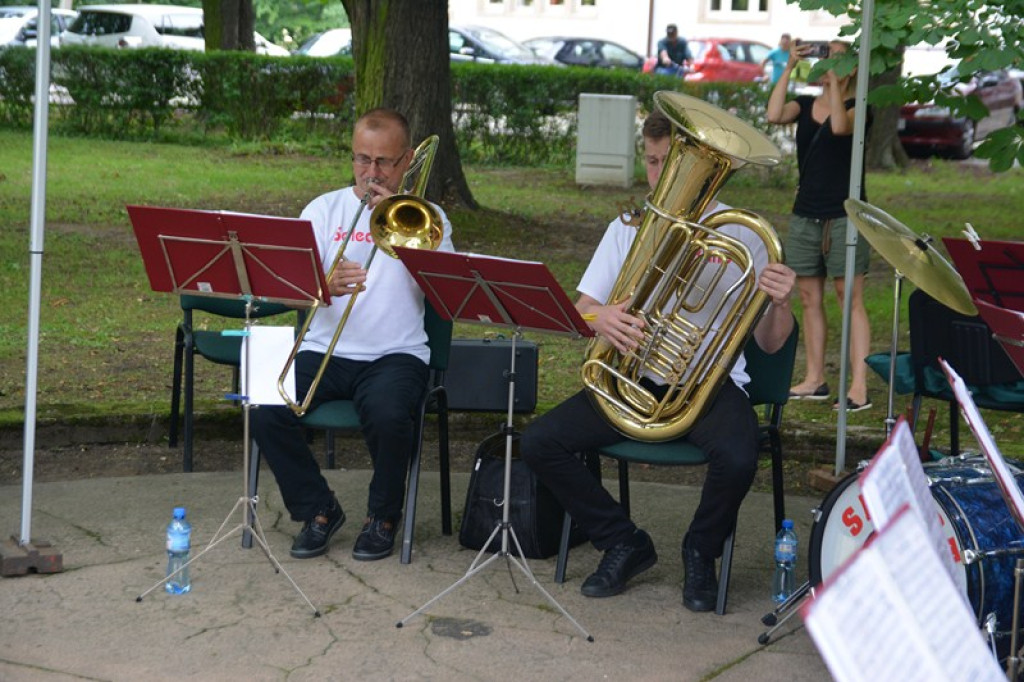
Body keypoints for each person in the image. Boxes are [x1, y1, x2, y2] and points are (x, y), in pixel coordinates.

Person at [520, 109, 797, 612]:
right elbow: (582, 310)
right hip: (630, 378)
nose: (660, 175)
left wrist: (780, 304)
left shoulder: (746, 235)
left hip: (708, 385)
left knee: (738, 457)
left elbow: (772, 344)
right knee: (540, 441)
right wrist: (602, 318)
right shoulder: (626, 228)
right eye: (652, 162)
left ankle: (701, 551)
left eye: (671, 162)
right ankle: (622, 542)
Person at [250, 108, 455, 561]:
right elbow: (286, 290)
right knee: (263, 403)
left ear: (406, 161)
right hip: (324, 347)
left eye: (383, 161)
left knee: (388, 414)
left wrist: (402, 230)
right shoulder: (323, 210)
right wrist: (322, 285)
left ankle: (383, 517)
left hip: (396, 354)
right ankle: (318, 509)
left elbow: (447, 296)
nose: (371, 172)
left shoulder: (428, 217)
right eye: (362, 159)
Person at [765, 40, 873, 412]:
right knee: (809, 297)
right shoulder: (805, 104)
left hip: (846, 215)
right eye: (826, 55)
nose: (829, 63)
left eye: (838, 58)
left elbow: (840, 127)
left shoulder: (861, 107)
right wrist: (789, 65)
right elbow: (774, 114)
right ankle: (815, 379)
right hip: (806, 214)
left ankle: (858, 386)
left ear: (853, 68)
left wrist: (838, 85)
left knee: (849, 297)